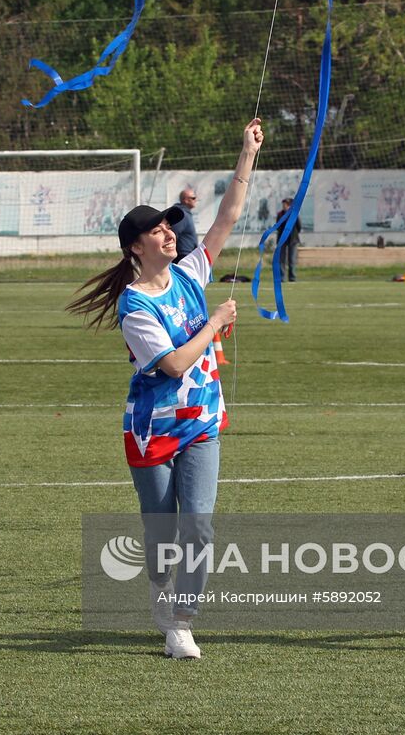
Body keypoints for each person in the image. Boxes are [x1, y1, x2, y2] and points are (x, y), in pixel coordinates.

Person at [69, 119, 263, 660]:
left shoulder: (189, 272)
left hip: (201, 422)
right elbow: (175, 365)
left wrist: (246, 153)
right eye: (157, 230)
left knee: (198, 528)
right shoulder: (134, 304)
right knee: (161, 533)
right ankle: (160, 590)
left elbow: (227, 216)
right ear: (136, 246)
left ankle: (182, 620)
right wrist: (215, 322)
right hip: (152, 429)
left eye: (169, 227)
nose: (169, 234)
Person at [275, 197, 301, 282]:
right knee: (282, 260)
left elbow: (299, 226)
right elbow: (277, 226)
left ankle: (292, 277)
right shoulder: (280, 214)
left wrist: (293, 234)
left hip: (293, 240)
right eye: (283, 204)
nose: (284, 206)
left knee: (292, 259)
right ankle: (282, 277)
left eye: (285, 204)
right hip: (282, 240)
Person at [170, 187, 199, 261]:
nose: (196, 200)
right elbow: (173, 233)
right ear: (186, 200)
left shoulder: (186, 213)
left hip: (188, 254)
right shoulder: (182, 214)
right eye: (193, 198)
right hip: (182, 255)